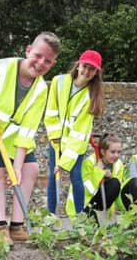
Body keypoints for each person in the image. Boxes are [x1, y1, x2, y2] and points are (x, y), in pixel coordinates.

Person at [0, 32, 61, 245]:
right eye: (38, 56)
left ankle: (16, 225)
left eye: (48, 61)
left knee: (31, 169)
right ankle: (0, 226)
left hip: (15, 137)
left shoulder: (41, 89)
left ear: (53, 64)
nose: (41, 63)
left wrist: (17, 167)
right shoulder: (0, 68)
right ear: (28, 50)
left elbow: (28, 129)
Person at [45, 50, 106, 217]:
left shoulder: (91, 97)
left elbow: (79, 133)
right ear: (78, 65)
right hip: (55, 140)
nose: (86, 72)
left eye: (92, 69)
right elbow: (51, 111)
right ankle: (51, 216)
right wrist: (54, 136)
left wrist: (64, 162)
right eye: (85, 66)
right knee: (53, 176)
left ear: (96, 73)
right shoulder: (59, 82)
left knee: (76, 176)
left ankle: (79, 217)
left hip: (75, 145)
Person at [66, 133, 124, 220]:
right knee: (92, 231)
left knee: (114, 182)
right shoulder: (89, 163)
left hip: (102, 204)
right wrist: (98, 171)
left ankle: (104, 216)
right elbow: (86, 191)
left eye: (119, 152)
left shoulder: (118, 165)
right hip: (82, 204)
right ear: (103, 152)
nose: (116, 155)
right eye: (113, 152)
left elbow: (117, 191)